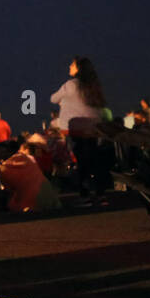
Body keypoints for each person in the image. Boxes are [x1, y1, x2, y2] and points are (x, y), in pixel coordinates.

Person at [50, 56, 108, 198]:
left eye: (72, 65)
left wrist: (64, 100)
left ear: (78, 68)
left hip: (76, 129)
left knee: (81, 161)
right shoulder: (94, 85)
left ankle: (85, 193)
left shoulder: (71, 85)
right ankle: (100, 191)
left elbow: (53, 98)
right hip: (93, 128)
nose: (69, 67)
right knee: (93, 158)